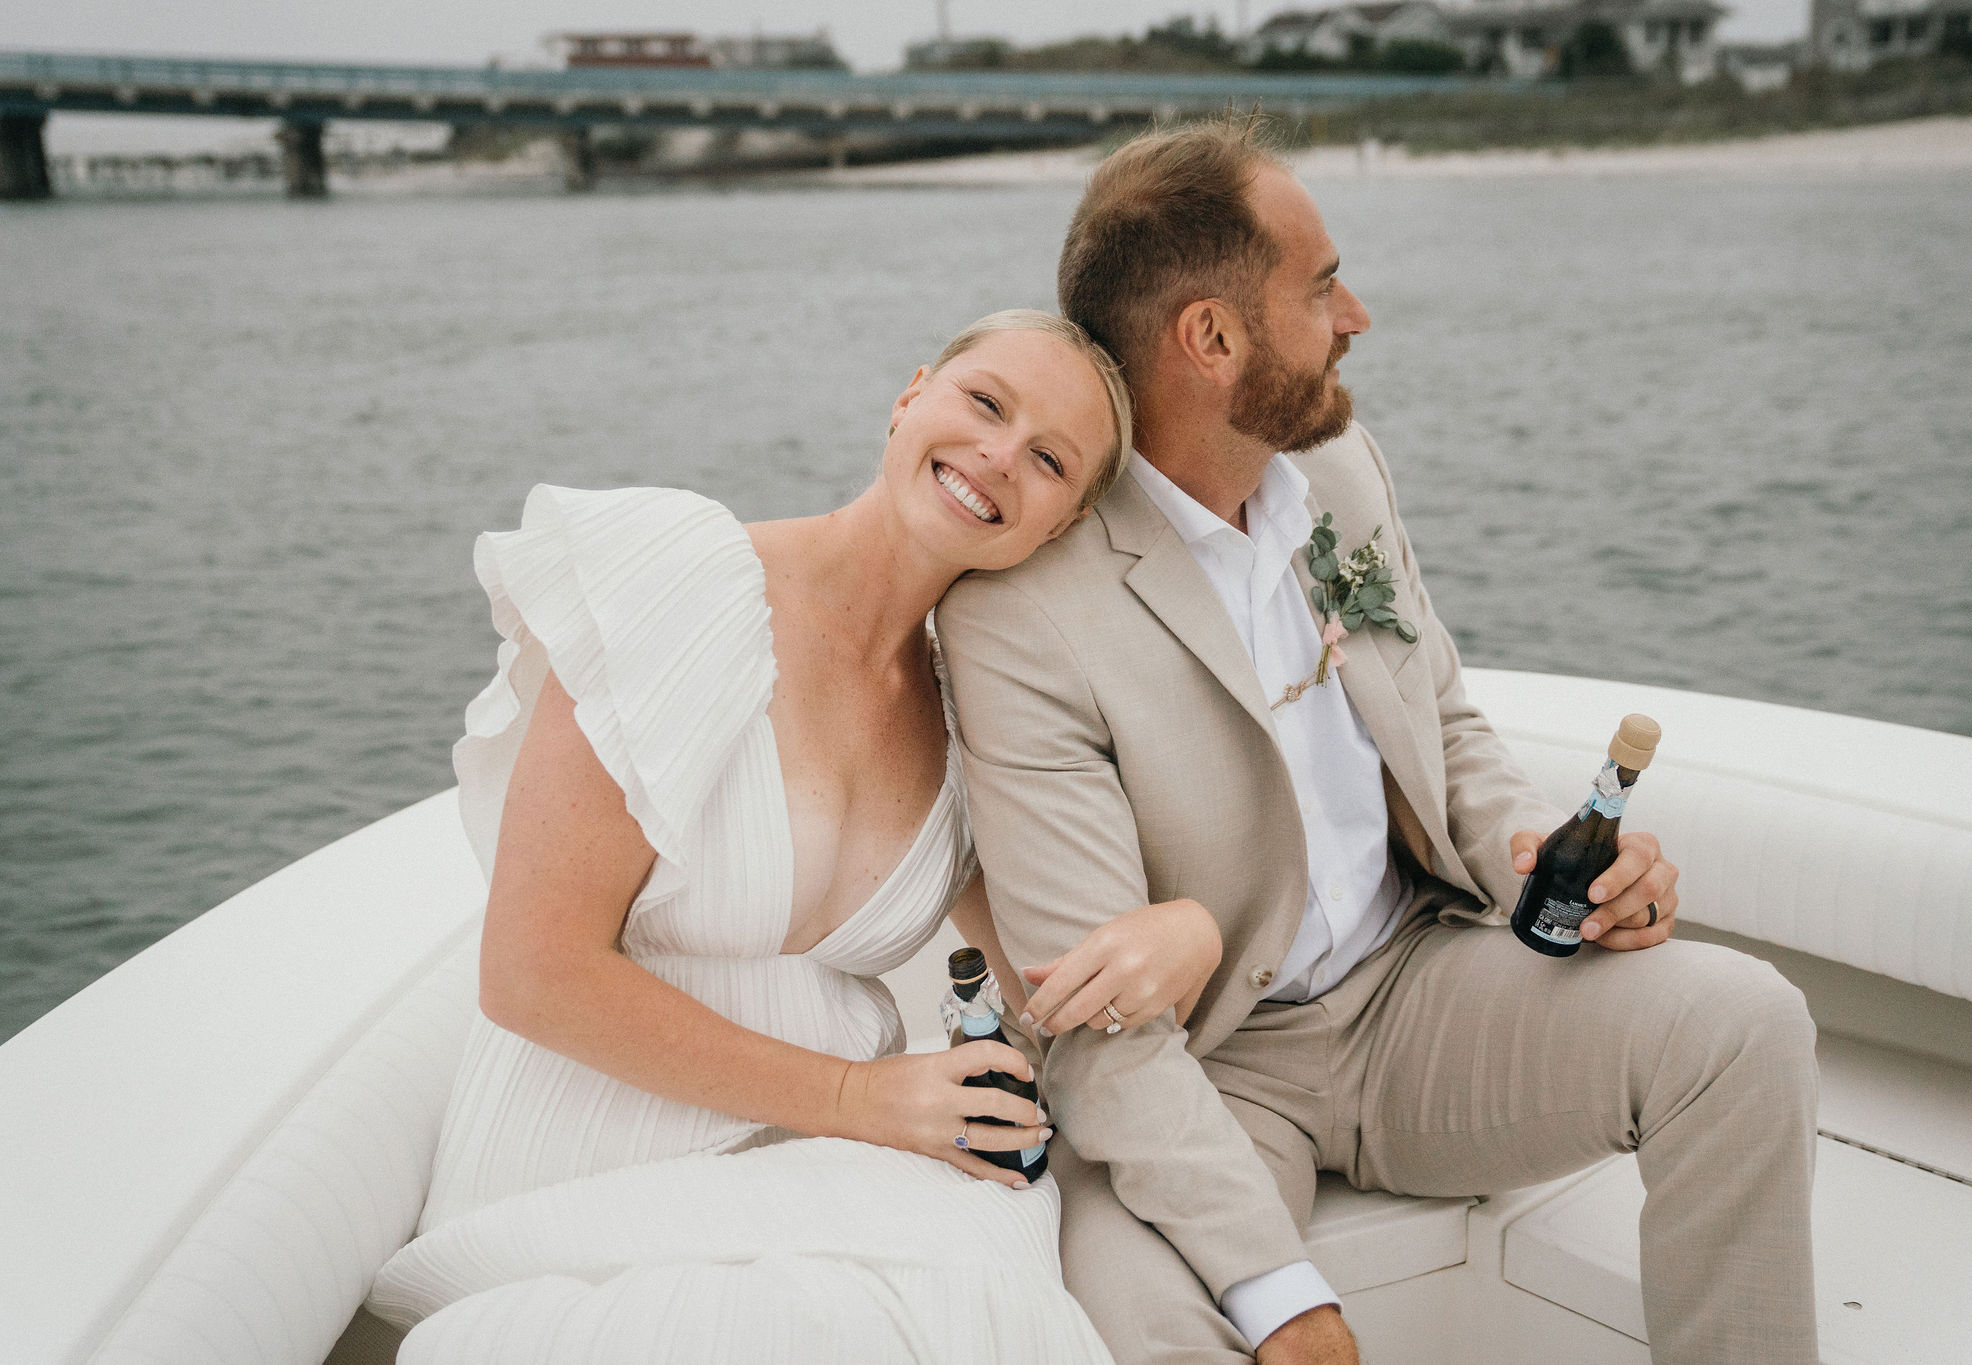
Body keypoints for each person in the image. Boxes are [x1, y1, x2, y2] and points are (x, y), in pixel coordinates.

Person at [936, 122, 1821, 1365]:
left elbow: (1442, 722)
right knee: (1137, 1312)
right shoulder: (1022, 611)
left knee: (1744, 1022)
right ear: (1210, 338)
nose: (1356, 313)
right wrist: (1282, 1292)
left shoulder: (1336, 469)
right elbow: (1097, 1029)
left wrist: (1540, 863)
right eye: (1319, 285)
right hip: (1207, 1068)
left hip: (1419, 987)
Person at [366, 310, 1222, 1363]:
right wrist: (861, 1099)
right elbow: (530, 973)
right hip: (590, 1152)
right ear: (912, 395)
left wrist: (1189, 930)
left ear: (1055, 525)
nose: (998, 456)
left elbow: (1053, 982)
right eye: (983, 402)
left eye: (1048, 460)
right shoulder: (680, 580)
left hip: (825, 1156)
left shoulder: (976, 716)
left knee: (999, 1282)